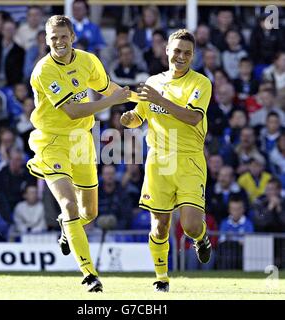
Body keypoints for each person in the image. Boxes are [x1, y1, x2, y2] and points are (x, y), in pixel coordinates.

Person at [27, 15, 136, 292]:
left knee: (89, 212)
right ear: (46, 40)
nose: (59, 42)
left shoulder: (88, 61)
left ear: (73, 37)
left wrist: (137, 98)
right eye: (53, 38)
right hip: (51, 142)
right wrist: (112, 102)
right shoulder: (44, 70)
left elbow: (107, 88)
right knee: (69, 205)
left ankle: (68, 228)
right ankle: (90, 274)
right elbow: (74, 110)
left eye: (64, 36)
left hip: (82, 142)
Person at [120, 29, 212, 292]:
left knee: (191, 225)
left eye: (187, 53)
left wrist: (160, 100)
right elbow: (140, 115)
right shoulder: (153, 82)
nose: (181, 56)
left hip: (189, 160)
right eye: (177, 51)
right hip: (158, 161)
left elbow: (193, 117)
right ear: (167, 51)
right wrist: (129, 119)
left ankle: (202, 238)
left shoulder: (200, 83)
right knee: (159, 226)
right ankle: (161, 278)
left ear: (192, 56)